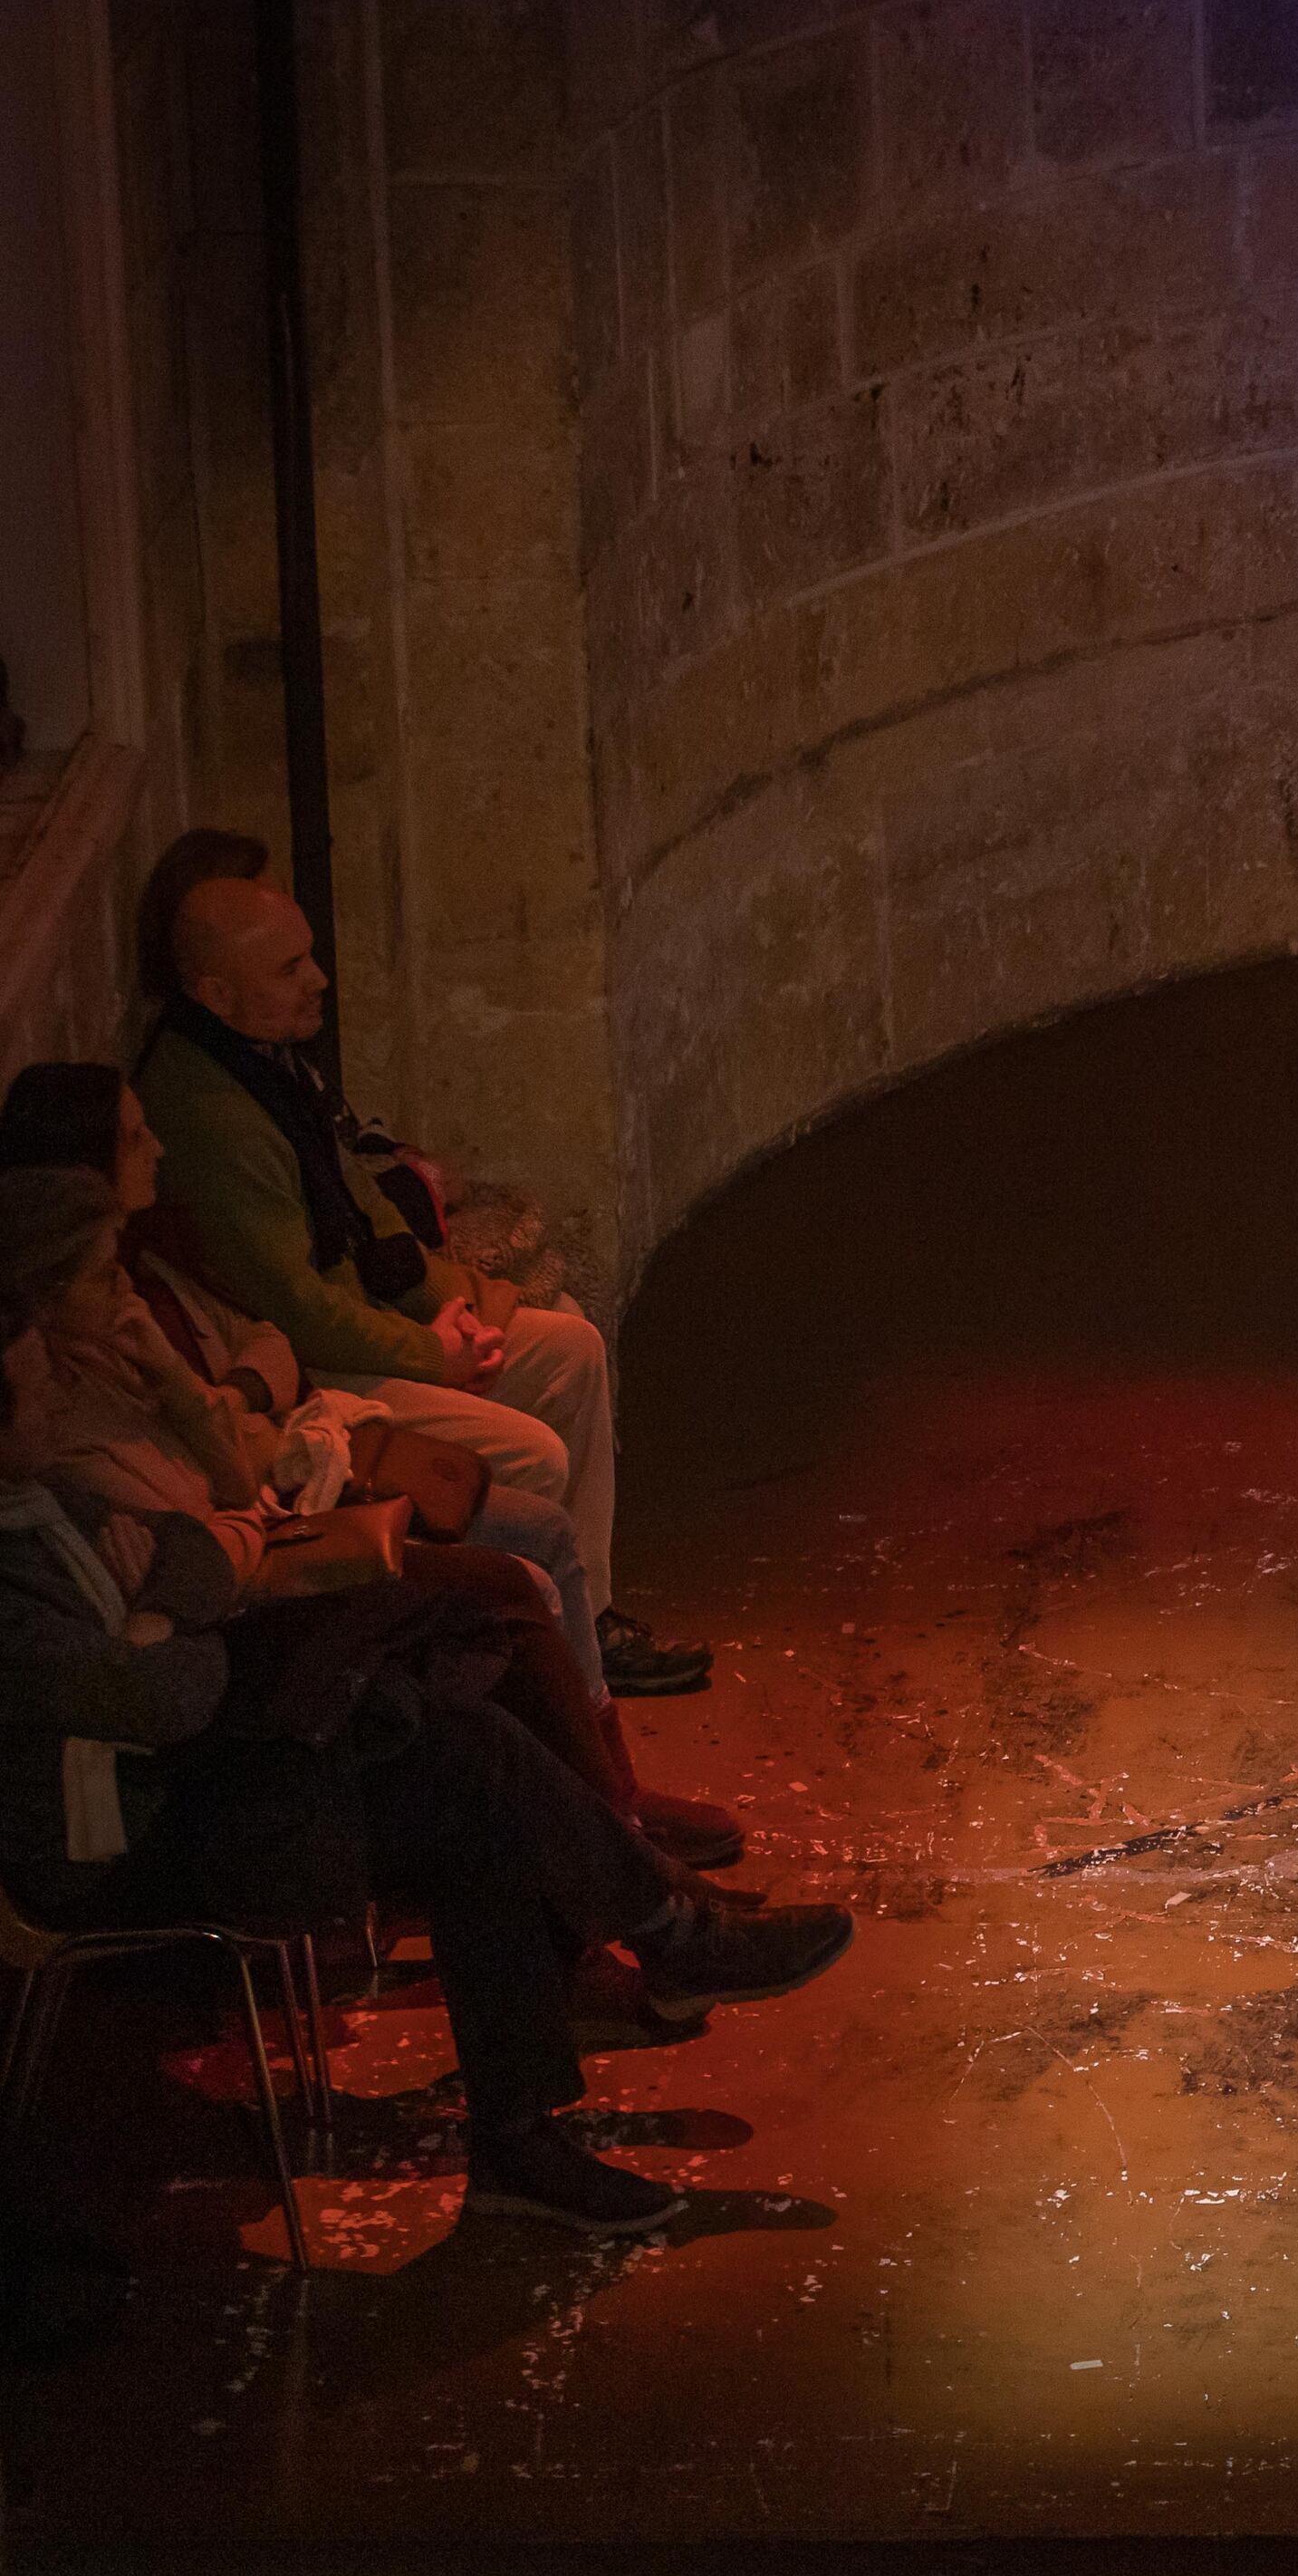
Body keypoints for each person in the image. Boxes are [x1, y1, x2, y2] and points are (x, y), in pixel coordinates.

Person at [0, 1289, 852, 2235]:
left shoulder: (56, 1503)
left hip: (186, 1779)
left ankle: (573, 2064)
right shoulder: (17, 1565)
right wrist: (186, 1604)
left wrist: (177, 1602)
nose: (56, 1406)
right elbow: (172, 1691)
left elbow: (194, 1560)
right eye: (39, 1392)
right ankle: (628, 1984)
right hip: (125, 1844)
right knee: (452, 1725)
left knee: (461, 1752)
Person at [0, 1164, 738, 1868]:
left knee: (528, 1560)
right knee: (497, 1622)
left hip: (266, 1551)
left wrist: (180, 1388)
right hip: (262, 1602)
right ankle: (617, 1847)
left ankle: (616, 1816)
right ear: (46, 1293)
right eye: (103, 1273)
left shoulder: (126, 1337)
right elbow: (197, 1572)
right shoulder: (59, 1442)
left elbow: (248, 1408)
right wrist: (186, 1579)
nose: (122, 1283)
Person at [127, 837, 706, 1691]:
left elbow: (366, 1212)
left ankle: (591, 1617)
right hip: (319, 1368)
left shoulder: (264, 1056)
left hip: (369, 1317)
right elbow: (301, 1311)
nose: (319, 980)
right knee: (535, 1455)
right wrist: (436, 1353)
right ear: (215, 992)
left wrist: (465, 1306)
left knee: (573, 1347)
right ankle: (532, 1660)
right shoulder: (212, 1120)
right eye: (291, 969)